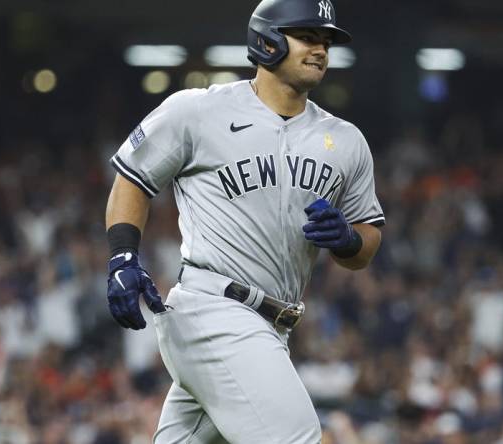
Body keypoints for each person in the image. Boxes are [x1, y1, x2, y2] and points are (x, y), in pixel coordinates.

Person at [104, 0, 384, 442]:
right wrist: (122, 256)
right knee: (298, 437)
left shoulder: (346, 141)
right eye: (307, 36)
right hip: (213, 309)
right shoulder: (198, 111)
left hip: (272, 327)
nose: (320, 50)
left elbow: (368, 241)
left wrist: (349, 240)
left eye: (326, 40)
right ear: (267, 40)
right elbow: (132, 178)